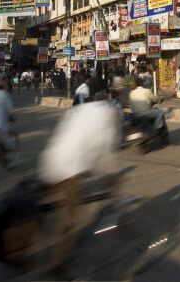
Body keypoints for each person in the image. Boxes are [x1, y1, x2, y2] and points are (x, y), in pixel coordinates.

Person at [37, 100, 120, 276]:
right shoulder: (106, 123)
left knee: (48, 208)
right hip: (70, 171)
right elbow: (104, 154)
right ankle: (60, 266)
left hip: (49, 161)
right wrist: (112, 175)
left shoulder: (83, 109)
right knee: (71, 222)